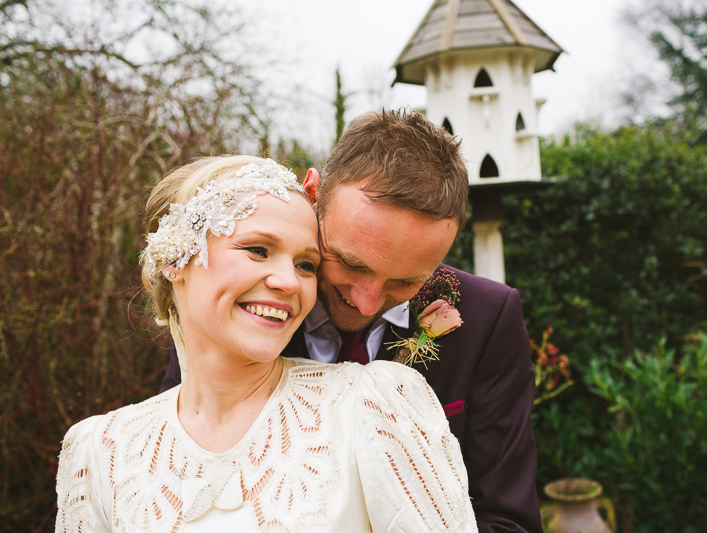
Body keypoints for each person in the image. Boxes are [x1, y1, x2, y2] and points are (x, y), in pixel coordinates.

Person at [161, 110, 543, 533]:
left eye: (405, 281)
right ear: (313, 196)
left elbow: (509, 520)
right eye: (348, 262)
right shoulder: (237, 311)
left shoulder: (489, 318)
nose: (365, 302)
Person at [55, 156, 478, 532]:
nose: (289, 282)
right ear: (176, 261)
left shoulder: (374, 404)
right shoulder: (100, 451)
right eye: (258, 250)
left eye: (307, 265)